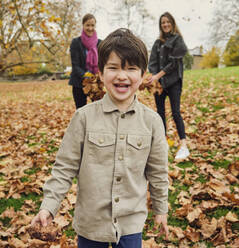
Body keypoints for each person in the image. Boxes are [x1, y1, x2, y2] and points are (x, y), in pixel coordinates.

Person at [31, 28, 169, 248]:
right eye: (113, 68)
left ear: (143, 75)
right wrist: (48, 206)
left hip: (130, 224)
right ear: (101, 73)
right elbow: (65, 167)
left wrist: (161, 209)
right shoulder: (83, 118)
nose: (122, 76)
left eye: (131, 69)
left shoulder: (152, 122)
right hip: (91, 225)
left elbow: (158, 171)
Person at [148, 11, 190, 161]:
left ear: (172, 23)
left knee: (176, 112)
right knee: (160, 114)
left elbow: (173, 63)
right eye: (162, 23)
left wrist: (158, 75)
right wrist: (153, 77)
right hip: (159, 85)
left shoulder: (178, 40)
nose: (165, 25)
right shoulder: (157, 42)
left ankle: (184, 146)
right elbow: (152, 62)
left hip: (173, 82)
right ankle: (163, 143)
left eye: (167, 22)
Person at [68, 13, 101, 109]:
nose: (90, 28)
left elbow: (104, 63)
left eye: (92, 25)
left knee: (98, 110)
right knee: (81, 111)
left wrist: (97, 78)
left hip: (96, 83)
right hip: (79, 83)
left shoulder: (100, 43)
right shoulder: (76, 43)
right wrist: (88, 76)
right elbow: (75, 66)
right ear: (83, 25)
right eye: (88, 25)